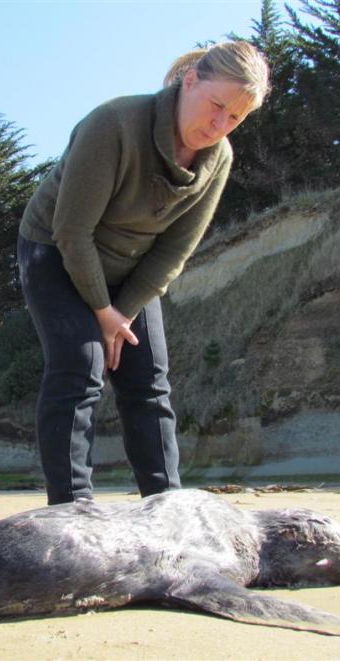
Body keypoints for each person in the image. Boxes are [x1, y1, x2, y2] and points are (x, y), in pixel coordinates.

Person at [18, 41, 270, 505]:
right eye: (216, 106)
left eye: (234, 118)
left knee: (149, 381)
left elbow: (175, 250)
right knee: (81, 364)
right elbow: (72, 231)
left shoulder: (219, 159)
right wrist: (100, 310)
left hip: (131, 268)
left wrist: (123, 312)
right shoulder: (113, 123)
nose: (218, 126)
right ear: (189, 81)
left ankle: (167, 508)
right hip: (55, 250)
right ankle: (72, 512)